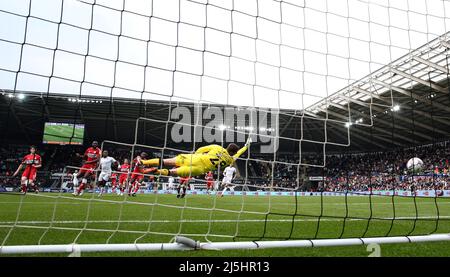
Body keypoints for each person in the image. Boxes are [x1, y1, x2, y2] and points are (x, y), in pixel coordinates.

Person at [139, 138, 251, 177]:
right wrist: (246, 146)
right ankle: (157, 171)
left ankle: (144, 162)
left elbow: (201, 149)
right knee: (172, 173)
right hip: (200, 169)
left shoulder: (217, 147)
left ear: (227, 147)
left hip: (195, 159)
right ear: (233, 152)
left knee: (166, 161)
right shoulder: (231, 159)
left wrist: (196, 154)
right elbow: (239, 153)